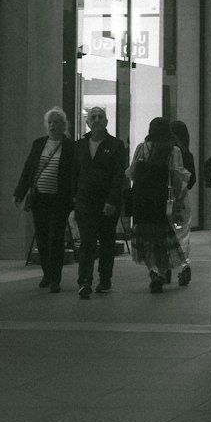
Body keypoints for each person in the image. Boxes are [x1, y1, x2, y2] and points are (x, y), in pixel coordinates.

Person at [13, 107, 74, 292]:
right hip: (40, 199)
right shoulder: (39, 143)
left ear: (64, 126)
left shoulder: (71, 146)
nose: (52, 125)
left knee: (56, 238)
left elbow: (74, 173)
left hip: (59, 200)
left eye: (56, 122)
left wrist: (75, 195)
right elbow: (28, 169)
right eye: (50, 122)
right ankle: (47, 273)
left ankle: (55, 278)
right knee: (42, 238)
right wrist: (19, 193)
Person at [72, 105, 128, 299]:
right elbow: (74, 173)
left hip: (107, 203)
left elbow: (118, 175)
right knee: (87, 241)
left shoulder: (116, 146)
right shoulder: (79, 146)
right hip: (85, 202)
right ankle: (84, 281)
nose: (96, 120)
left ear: (106, 121)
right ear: (87, 122)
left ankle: (105, 279)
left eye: (100, 117)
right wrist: (74, 199)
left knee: (106, 242)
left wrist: (112, 201)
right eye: (92, 117)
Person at [126, 117, 188, 293]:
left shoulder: (141, 148)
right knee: (161, 237)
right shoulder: (172, 150)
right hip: (160, 198)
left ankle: (153, 269)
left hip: (141, 198)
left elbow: (132, 173)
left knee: (144, 237)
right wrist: (180, 200)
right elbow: (177, 177)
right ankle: (161, 271)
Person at [169, 119, 197, 286]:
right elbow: (192, 180)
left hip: (163, 200)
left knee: (165, 234)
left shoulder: (165, 151)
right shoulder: (186, 154)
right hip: (181, 198)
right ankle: (185, 264)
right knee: (183, 234)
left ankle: (164, 268)